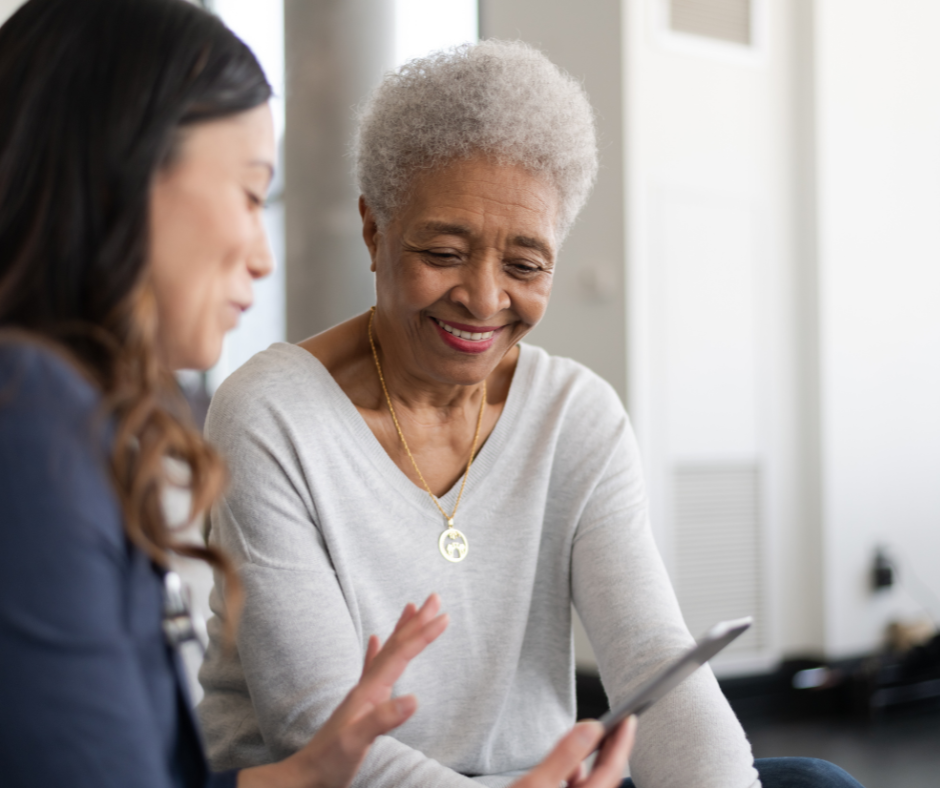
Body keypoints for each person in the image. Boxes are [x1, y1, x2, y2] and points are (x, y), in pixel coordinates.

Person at [196, 41, 866, 788]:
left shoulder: (576, 416)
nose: (484, 300)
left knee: (813, 783)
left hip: (536, 779)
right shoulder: (272, 414)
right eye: (444, 252)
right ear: (374, 228)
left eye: (524, 265)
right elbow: (319, 729)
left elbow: (652, 657)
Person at [0, 3, 636, 787]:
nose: (265, 258)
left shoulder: (64, 418)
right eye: (247, 194)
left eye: (525, 264)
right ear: (116, 185)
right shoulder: (29, 425)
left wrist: (310, 772)